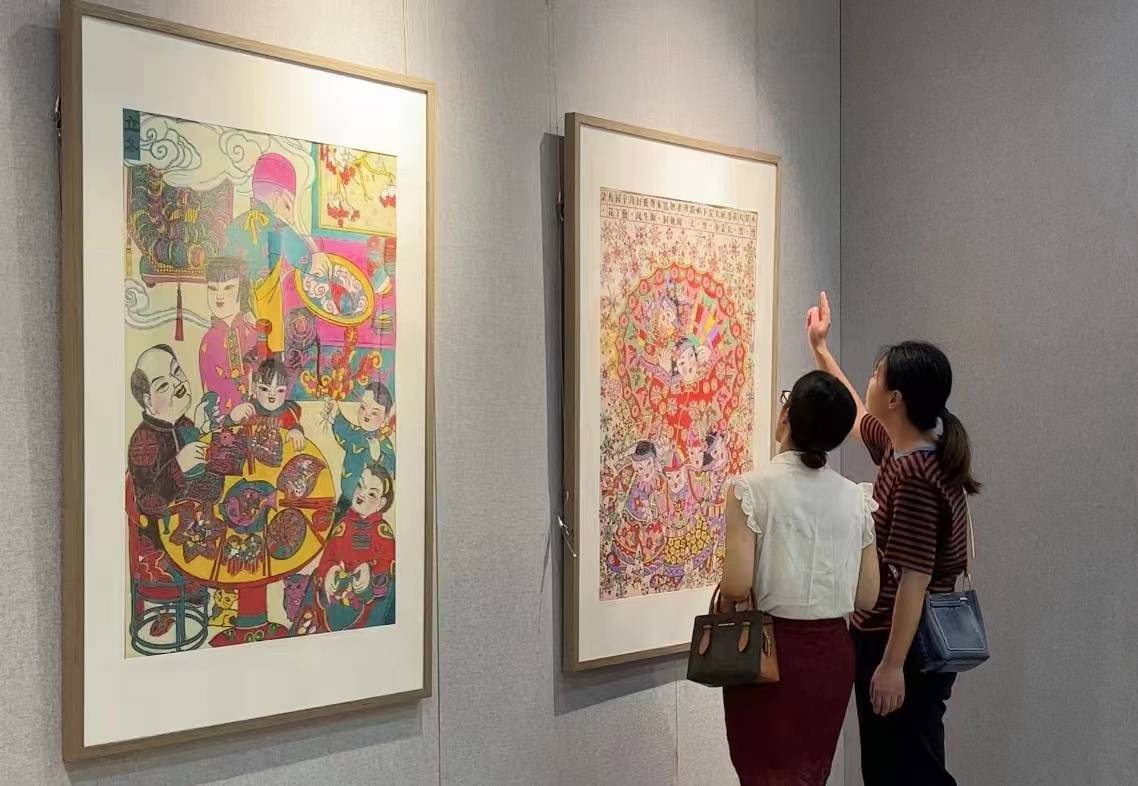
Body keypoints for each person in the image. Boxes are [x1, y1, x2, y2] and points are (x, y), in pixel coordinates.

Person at [807, 291, 980, 786]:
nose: (869, 380)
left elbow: (914, 578)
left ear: (896, 398)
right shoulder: (908, 450)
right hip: (898, 642)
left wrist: (891, 665)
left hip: (901, 644)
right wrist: (820, 349)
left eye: (876, 375)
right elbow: (858, 416)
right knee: (906, 765)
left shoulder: (916, 476)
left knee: (900, 772)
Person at [721, 370, 881, 786]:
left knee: (765, 773)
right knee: (810, 774)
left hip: (769, 651)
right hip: (831, 654)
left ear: (786, 415)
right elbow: (867, 596)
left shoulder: (750, 489)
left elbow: (736, 586)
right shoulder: (856, 498)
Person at [198, 256, 257, 417]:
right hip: (226, 424)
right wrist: (230, 415)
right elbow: (209, 392)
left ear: (241, 290)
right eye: (212, 288)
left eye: (228, 287)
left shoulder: (253, 333)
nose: (219, 296)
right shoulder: (208, 342)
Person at [324, 379, 396, 511]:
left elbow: (392, 469)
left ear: (385, 418)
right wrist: (335, 411)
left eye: (374, 412)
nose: (367, 414)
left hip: (369, 503)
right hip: (347, 498)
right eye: (363, 407)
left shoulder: (384, 444)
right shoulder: (356, 433)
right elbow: (345, 431)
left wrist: (377, 457)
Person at [229, 355, 306, 451]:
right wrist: (233, 418)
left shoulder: (288, 411)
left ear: (286, 392)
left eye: (280, 390)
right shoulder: (248, 409)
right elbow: (230, 433)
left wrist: (296, 431)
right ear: (255, 388)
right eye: (264, 389)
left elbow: (295, 425)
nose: (272, 395)